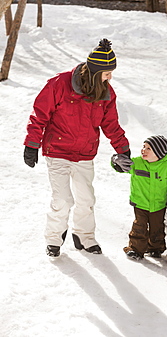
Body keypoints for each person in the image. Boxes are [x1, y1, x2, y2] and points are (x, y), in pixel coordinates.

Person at [24, 38, 130, 258]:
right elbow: (39, 115)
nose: (110, 77)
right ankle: (54, 238)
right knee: (62, 199)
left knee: (86, 199)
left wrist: (122, 148)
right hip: (58, 151)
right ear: (94, 71)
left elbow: (110, 123)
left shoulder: (106, 92)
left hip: (84, 153)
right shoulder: (60, 84)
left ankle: (84, 236)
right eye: (107, 72)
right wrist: (32, 144)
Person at [111, 135, 167, 261]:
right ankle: (135, 249)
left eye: (148, 148)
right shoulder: (137, 163)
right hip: (140, 203)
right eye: (143, 147)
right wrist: (116, 160)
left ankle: (155, 248)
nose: (144, 150)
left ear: (159, 153)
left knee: (157, 227)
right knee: (139, 227)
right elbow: (121, 167)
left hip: (159, 204)